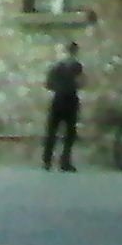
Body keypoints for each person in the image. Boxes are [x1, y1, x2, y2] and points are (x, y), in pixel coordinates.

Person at [42, 43, 84, 171]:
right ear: (75, 51)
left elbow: (48, 84)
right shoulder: (76, 66)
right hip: (70, 99)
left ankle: (48, 160)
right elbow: (81, 83)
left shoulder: (57, 66)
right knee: (69, 132)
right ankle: (64, 161)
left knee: (53, 130)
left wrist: (58, 87)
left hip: (59, 98)